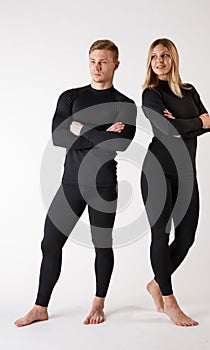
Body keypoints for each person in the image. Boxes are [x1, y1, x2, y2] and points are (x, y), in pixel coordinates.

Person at [15, 39, 136, 327]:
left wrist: (81, 127)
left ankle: (98, 303)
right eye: (93, 60)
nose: (97, 66)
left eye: (104, 61)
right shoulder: (71, 96)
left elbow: (120, 144)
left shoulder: (125, 104)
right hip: (70, 184)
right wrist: (100, 133)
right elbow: (59, 137)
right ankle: (40, 306)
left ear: (116, 65)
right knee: (50, 243)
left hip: (103, 186)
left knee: (102, 246)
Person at [141, 38, 210, 327]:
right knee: (161, 235)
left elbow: (209, 124)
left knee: (187, 237)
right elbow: (168, 128)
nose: (159, 61)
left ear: (174, 59)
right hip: (156, 170)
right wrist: (194, 122)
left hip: (186, 172)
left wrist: (183, 125)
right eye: (154, 56)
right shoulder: (150, 93)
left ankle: (156, 283)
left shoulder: (189, 90)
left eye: (165, 55)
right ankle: (169, 300)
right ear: (149, 62)